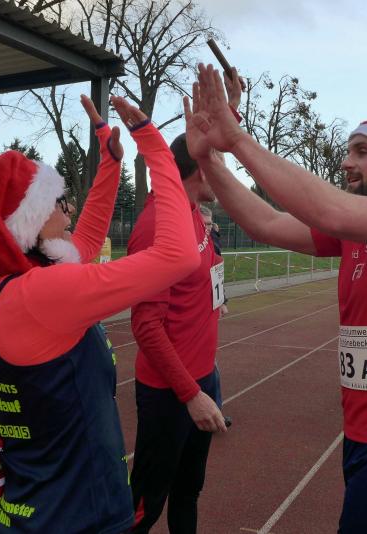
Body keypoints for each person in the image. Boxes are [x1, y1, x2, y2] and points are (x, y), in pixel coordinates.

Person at [184, 63, 367, 534]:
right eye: (348, 150)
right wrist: (209, 161)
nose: (346, 162)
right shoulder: (357, 231)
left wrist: (237, 140)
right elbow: (267, 223)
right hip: (363, 435)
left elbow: (328, 209)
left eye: (362, 151)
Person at [0, 96, 199, 532]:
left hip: (29, 508)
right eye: (57, 201)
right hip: (80, 514)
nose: (68, 209)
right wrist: (153, 145)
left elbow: (83, 242)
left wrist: (109, 161)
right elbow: (179, 255)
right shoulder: (42, 297)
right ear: (27, 223)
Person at [127, 72, 243, 534]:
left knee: (188, 492)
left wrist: (230, 108)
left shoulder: (192, 210)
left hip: (202, 377)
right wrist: (190, 395)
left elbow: (207, 148)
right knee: (145, 504)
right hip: (170, 392)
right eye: (217, 163)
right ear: (199, 168)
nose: (224, 172)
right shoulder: (159, 222)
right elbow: (145, 326)